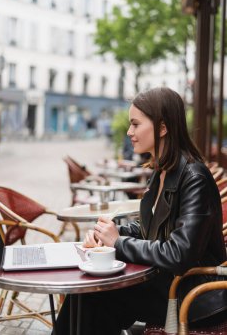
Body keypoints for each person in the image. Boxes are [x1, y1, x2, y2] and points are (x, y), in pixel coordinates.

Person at [54, 87, 227, 335]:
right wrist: (110, 234)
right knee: (87, 290)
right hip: (166, 281)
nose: (129, 132)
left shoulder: (194, 177)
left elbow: (179, 255)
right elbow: (153, 229)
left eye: (135, 124)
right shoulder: (162, 171)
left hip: (191, 292)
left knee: (95, 295)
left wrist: (119, 242)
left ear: (163, 127)